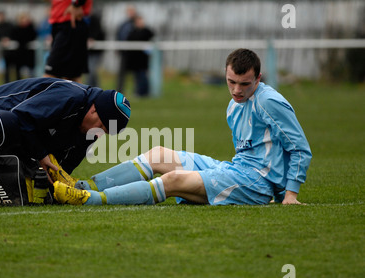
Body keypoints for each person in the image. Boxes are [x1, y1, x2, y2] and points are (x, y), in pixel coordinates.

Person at [53, 48, 312, 206]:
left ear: (258, 78)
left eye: (245, 84)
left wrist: (289, 193)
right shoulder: (233, 106)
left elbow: (299, 148)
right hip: (237, 170)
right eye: (231, 81)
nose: (236, 90)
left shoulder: (269, 102)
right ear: (225, 73)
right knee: (158, 154)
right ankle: (87, 186)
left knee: (174, 180)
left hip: (256, 184)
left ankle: (92, 200)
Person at [0, 77, 131, 204]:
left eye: (107, 133)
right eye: (103, 127)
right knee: (8, 122)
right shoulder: (71, 96)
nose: (100, 135)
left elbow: (61, 169)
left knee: (35, 181)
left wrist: (59, 189)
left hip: (15, 132)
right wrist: (40, 155)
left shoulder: (89, 131)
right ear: (93, 110)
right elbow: (20, 117)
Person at [44, 0, 93, 82]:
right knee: (71, 78)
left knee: (50, 76)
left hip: (70, 23)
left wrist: (76, 4)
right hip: (62, 24)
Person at [126, 15, 154, 97]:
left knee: (143, 76)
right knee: (136, 77)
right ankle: (138, 92)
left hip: (144, 59)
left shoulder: (148, 31)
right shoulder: (133, 32)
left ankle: (145, 92)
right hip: (134, 59)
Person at [115, 5, 137, 92]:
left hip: (134, 53)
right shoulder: (123, 24)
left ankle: (138, 91)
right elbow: (119, 35)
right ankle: (119, 91)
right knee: (121, 73)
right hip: (124, 52)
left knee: (136, 73)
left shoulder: (137, 22)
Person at [11, 12, 38, 79]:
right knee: (18, 72)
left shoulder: (31, 28)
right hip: (20, 53)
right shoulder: (16, 29)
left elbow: (34, 36)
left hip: (29, 54)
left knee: (31, 72)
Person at [0, 11, 16, 83]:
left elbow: (14, 34)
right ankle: (7, 82)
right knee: (6, 68)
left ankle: (16, 82)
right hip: (4, 51)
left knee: (14, 67)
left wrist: (8, 39)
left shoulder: (10, 25)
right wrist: (1, 40)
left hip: (13, 51)